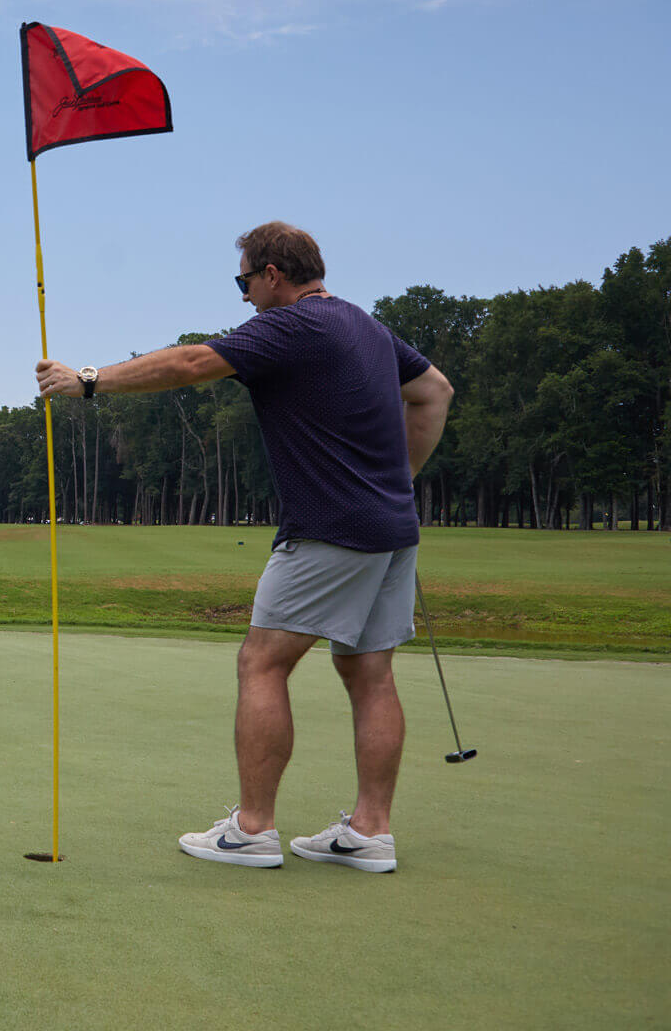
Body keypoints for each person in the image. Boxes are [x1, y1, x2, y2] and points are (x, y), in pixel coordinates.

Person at [35, 221, 454, 873]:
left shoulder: (292, 324)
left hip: (328, 529)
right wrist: (397, 479)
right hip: (392, 530)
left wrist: (87, 380)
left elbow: (190, 361)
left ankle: (253, 829)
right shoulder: (366, 326)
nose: (245, 298)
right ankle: (371, 831)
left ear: (274, 275)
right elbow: (434, 392)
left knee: (262, 663)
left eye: (245, 282)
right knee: (369, 673)